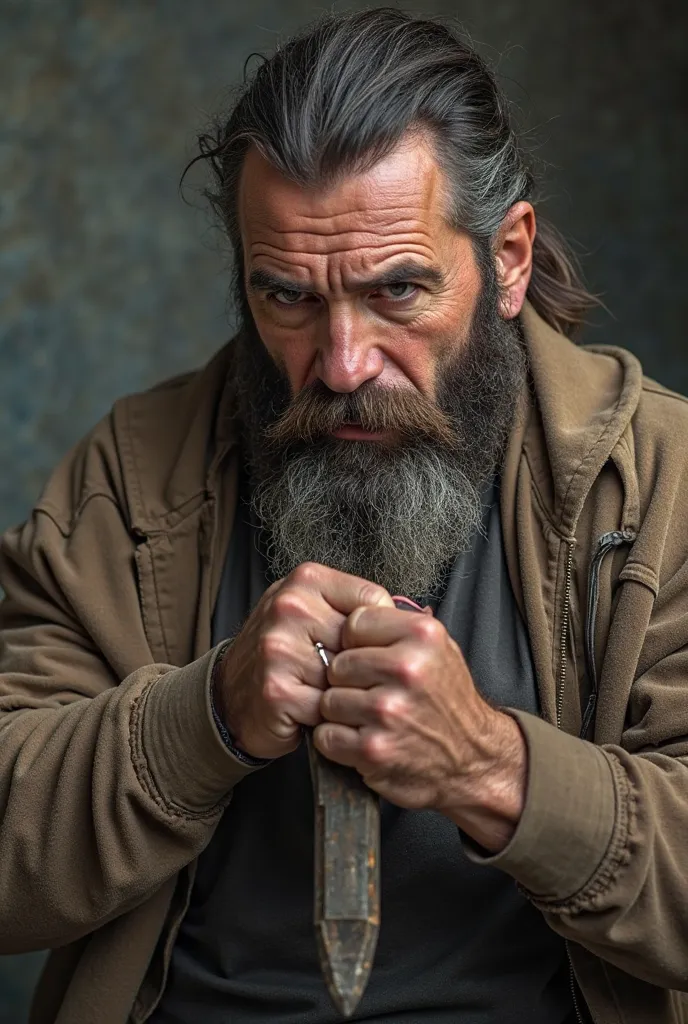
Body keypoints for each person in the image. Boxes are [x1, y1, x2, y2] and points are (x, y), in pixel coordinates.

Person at [1, 8, 687, 1024]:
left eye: (397, 291)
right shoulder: (131, 478)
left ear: (506, 258)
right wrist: (206, 718)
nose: (341, 363)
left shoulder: (661, 482)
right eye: (287, 298)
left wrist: (491, 767)